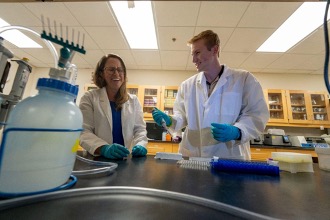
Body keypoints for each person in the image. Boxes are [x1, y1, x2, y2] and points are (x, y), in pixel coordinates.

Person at [152, 30, 269, 160]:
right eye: (192, 54)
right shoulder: (187, 85)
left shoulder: (243, 79)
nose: (193, 59)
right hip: (192, 156)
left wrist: (237, 131)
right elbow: (182, 116)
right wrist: (170, 120)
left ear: (214, 50)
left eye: (197, 53)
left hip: (228, 157)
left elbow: (257, 115)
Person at [79, 53, 148, 159]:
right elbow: (83, 131)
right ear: (101, 73)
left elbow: (140, 129)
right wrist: (103, 148)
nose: (116, 73)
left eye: (120, 70)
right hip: (97, 159)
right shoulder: (90, 98)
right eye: (111, 69)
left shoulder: (133, 101)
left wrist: (140, 145)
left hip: (125, 160)